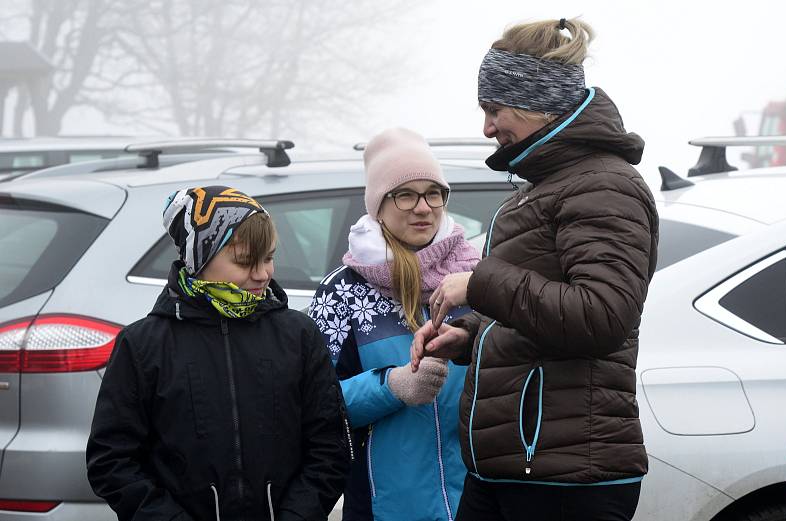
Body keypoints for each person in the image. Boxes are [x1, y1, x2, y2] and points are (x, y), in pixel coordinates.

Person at [411, 18, 659, 521]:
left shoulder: (603, 186)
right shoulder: (548, 185)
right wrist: (470, 336)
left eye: (494, 109)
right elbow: (542, 307)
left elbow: (602, 315)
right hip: (514, 466)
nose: (486, 127)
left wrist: (479, 284)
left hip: (565, 477)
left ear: (535, 104)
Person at [86, 186, 351, 521]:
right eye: (244, 261)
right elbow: (112, 461)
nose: (262, 274)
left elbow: (330, 447)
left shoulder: (298, 335)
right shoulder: (143, 345)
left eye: (268, 258)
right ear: (199, 257)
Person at [308, 127, 481, 521]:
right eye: (405, 194)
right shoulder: (343, 292)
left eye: (433, 192)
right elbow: (312, 403)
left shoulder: (476, 279)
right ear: (378, 206)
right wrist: (392, 387)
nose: (423, 207)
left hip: (479, 501)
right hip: (385, 508)